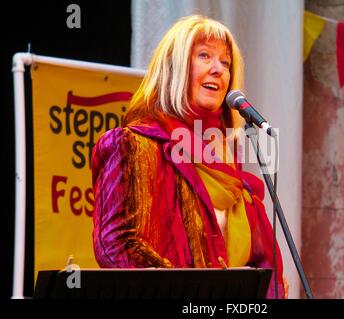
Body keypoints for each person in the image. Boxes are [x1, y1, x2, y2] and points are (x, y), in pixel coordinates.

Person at [91, 14, 287, 299]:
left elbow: (256, 259)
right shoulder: (132, 145)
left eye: (225, 62)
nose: (218, 69)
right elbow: (114, 246)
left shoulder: (227, 161)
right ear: (174, 68)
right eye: (204, 56)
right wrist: (192, 294)